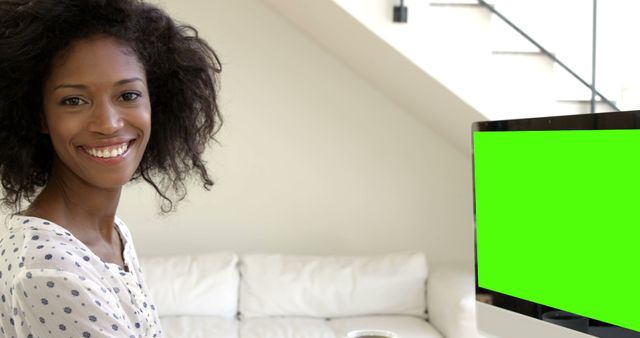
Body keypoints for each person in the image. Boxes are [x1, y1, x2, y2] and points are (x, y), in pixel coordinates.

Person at [0, 0, 222, 336]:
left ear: (156, 101)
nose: (107, 124)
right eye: (74, 100)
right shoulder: (51, 270)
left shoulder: (111, 234)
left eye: (128, 95)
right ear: (39, 116)